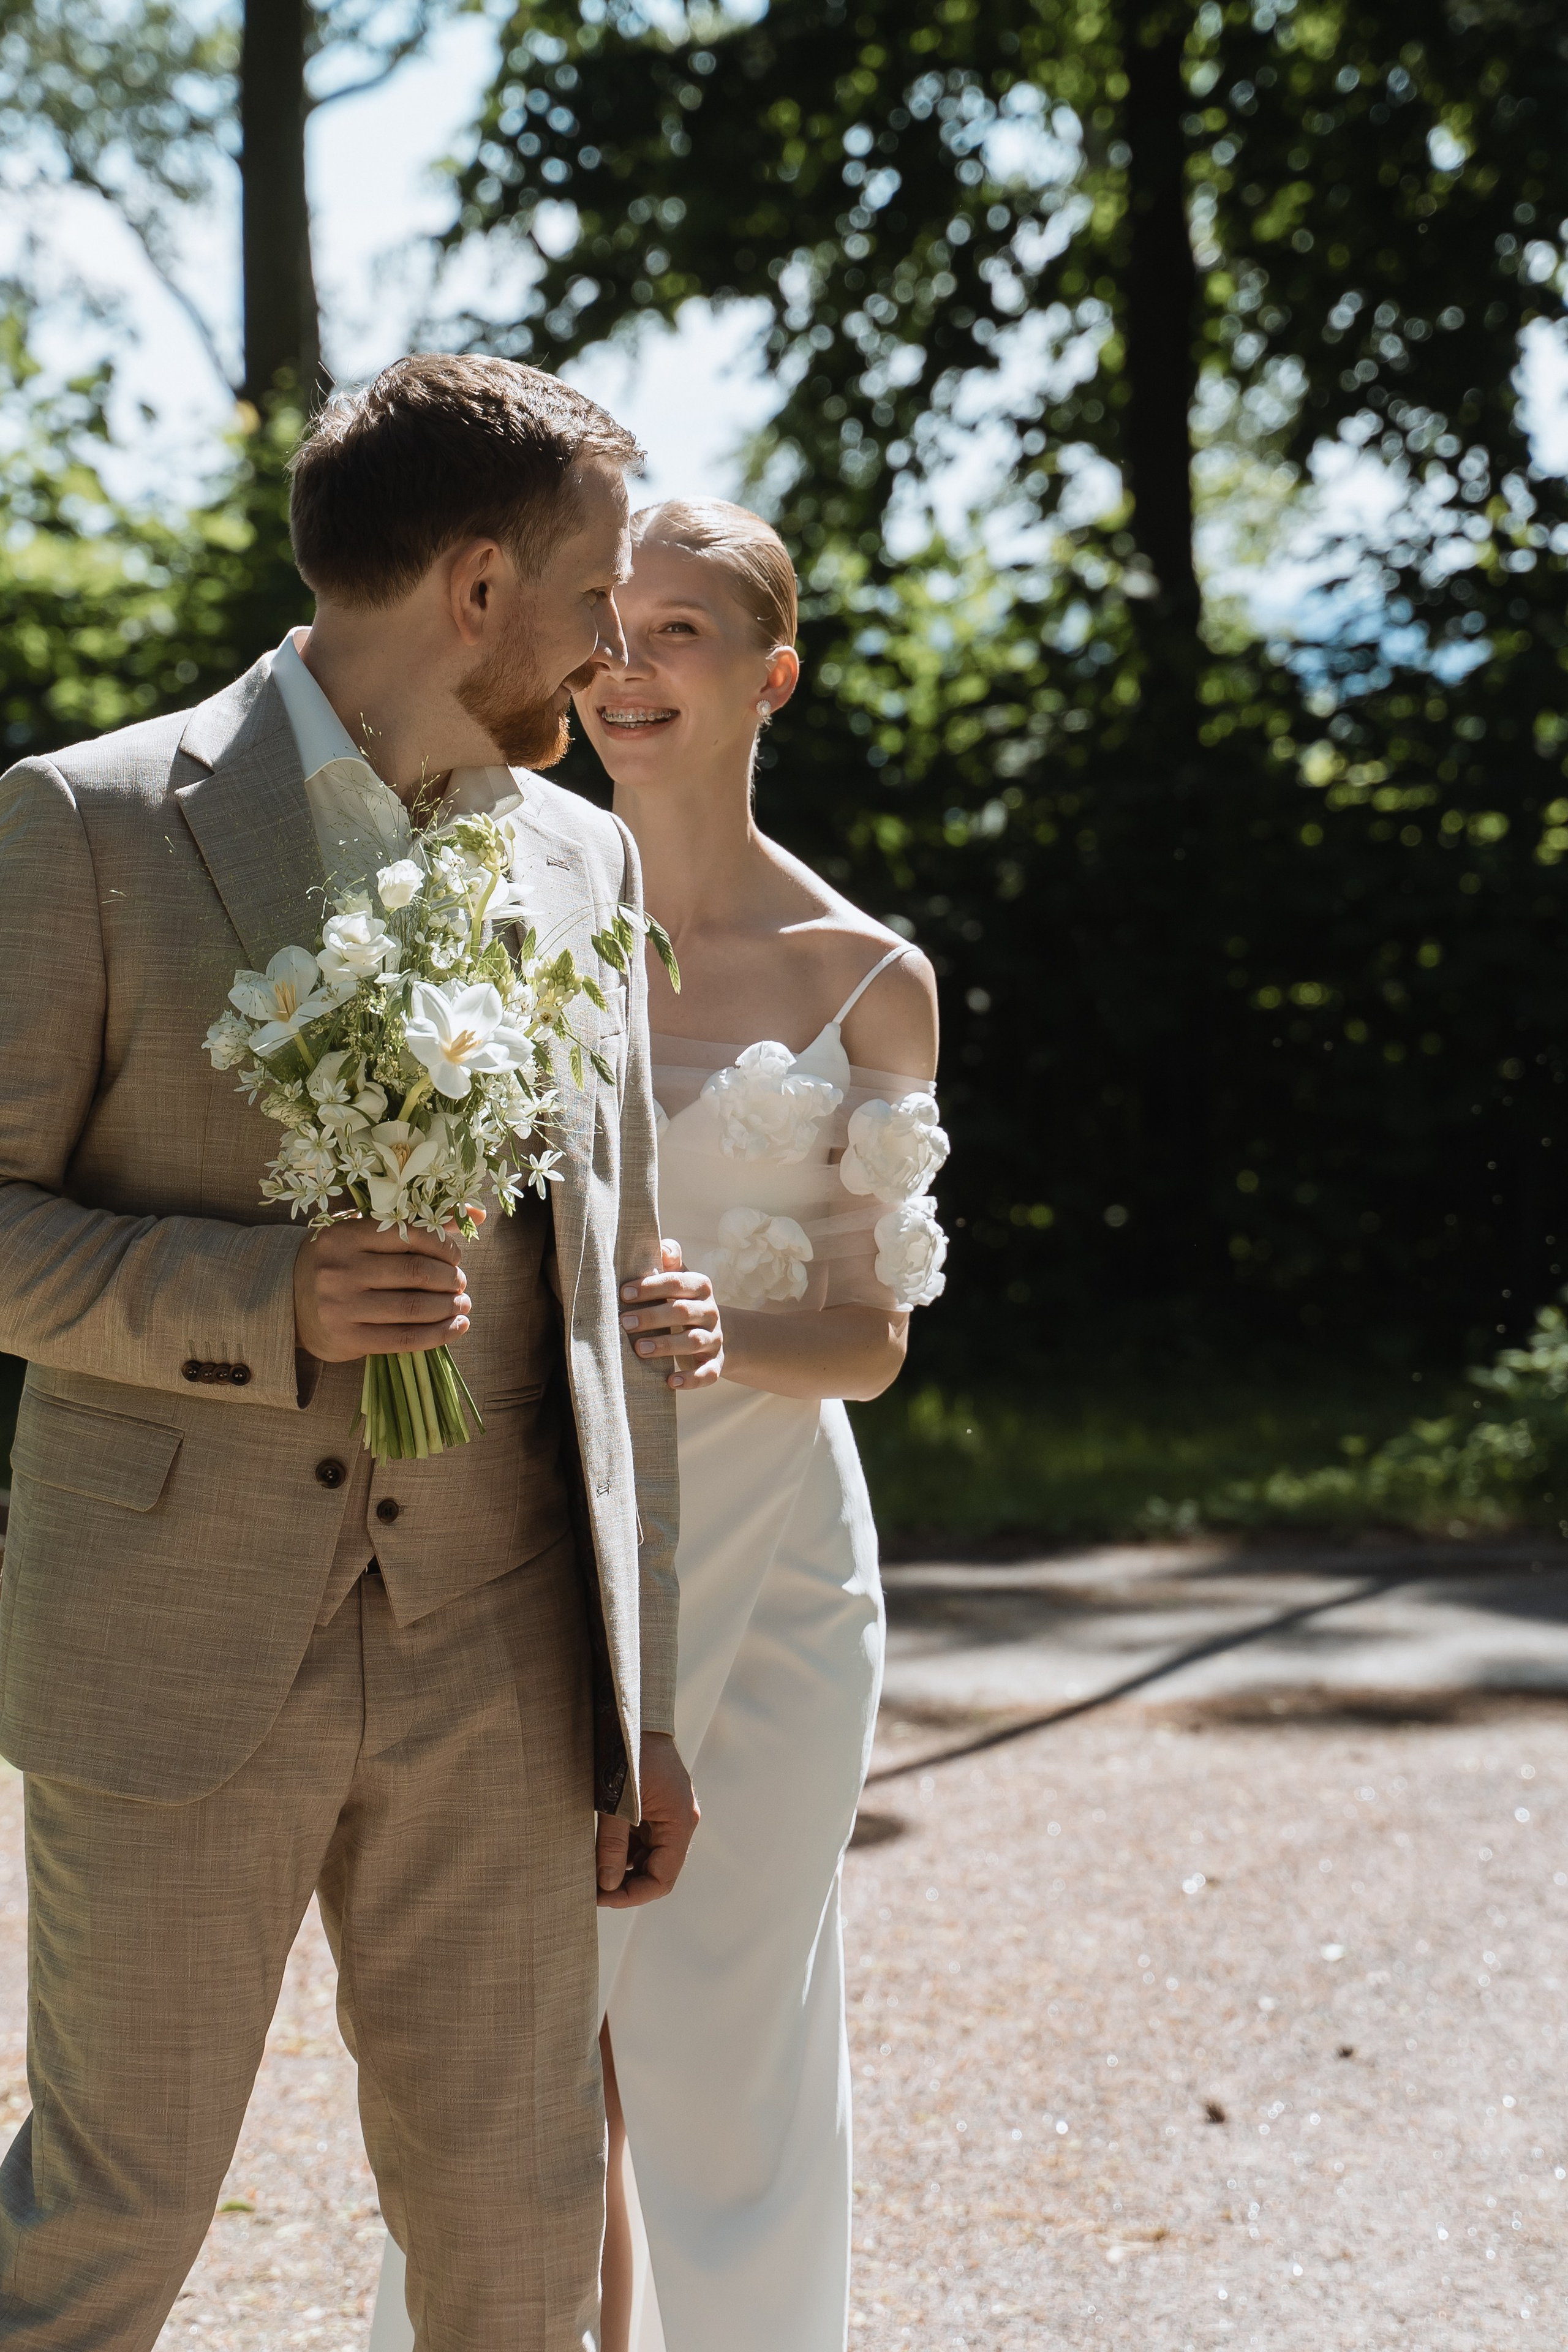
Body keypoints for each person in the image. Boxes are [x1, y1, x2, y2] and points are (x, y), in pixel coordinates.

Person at [0, 355, 712, 2351]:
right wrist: (262, 1303)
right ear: (476, 588)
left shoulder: (587, 866)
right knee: (110, 2220)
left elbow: (604, 1311)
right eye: (589, 593)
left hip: (500, 1659)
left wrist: (635, 1701)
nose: (609, 644)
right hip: (172, 1644)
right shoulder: (86, 822)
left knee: (517, 2226)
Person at [372, 498, 948, 2351]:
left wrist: (733, 1325)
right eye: (610, 629)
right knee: (512, 2054)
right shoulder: (492, 914)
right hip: (547, 1556)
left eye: (682, 634)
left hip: (777, 1579)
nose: (627, 669)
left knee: (734, 2062)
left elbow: (872, 1342)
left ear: (774, 675)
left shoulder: (865, 978)